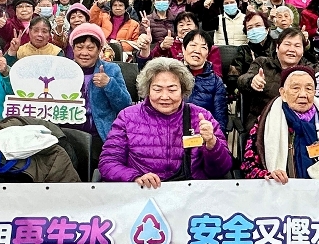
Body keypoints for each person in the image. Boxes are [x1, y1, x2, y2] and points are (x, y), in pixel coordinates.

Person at [98, 58, 232, 185]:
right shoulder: (127, 117)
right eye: (157, 89)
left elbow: (221, 170)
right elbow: (108, 163)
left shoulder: (201, 117)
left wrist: (212, 143)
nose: (165, 96)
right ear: (148, 90)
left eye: (172, 90)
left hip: (189, 193)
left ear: (183, 90)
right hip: (144, 193)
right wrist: (135, 177)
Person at [241, 65, 319, 182]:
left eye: (309, 89)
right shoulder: (268, 120)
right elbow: (248, 165)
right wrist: (268, 175)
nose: (303, 94)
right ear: (283, 93)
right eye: (296, 88)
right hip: (283, 190)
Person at [67, 23, 132, 141]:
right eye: (79, 47)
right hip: (69, 133)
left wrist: (109, 84)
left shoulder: (111, 69)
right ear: (73, 48)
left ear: (99, 50)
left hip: (100, 134)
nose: (84, 53)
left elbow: (125, 106)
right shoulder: (64, 70)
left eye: (90, 48)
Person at [237, 28, 314, 120]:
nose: (292, 49)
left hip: (300, 121)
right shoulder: (262, 63)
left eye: (297, 46)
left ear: (303, 51)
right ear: (277, 47)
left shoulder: (309, 70)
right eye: (287, 44)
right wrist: (252, 81)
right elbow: (242, 80)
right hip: (263, 120)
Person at [180, 29, 227, 130]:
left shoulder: (216, 82)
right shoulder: (172, 75)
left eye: (203, 47)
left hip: (202, 133)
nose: (197, 51)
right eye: (193, 45)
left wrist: (216, 137)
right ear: (183, 49)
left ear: (208, 54)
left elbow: (220, 118)